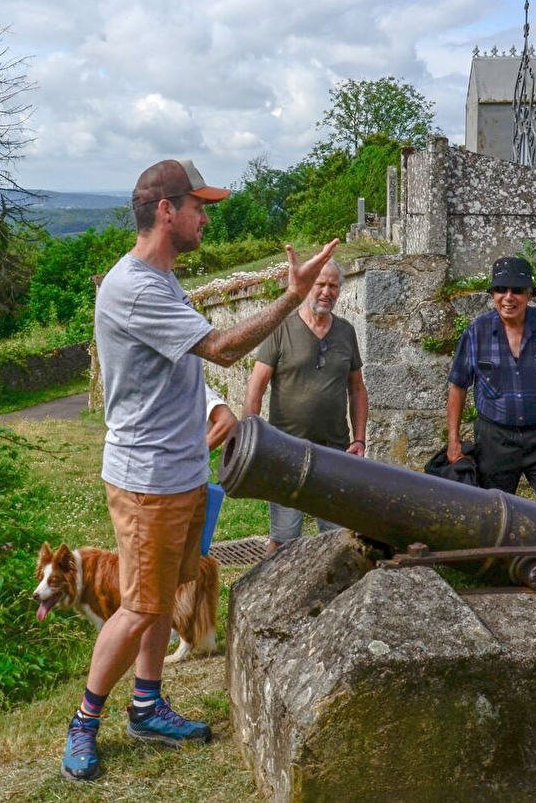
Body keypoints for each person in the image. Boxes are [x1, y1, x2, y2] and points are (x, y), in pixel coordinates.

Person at [64, 158, 339, 782]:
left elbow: (178, 368)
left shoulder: (163, 282)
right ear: (168, 212)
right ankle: (84, 722)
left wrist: (214, 405)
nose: (205, 218)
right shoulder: (134, 286)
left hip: (182, 470)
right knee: (138, 606)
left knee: (164, 598)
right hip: (147, 479)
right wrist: (291, 297)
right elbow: (218, 347)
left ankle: (147, 704)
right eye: (198, 207)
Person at [445, 256, 536, 511]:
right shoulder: (476, 332)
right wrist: (453, 439)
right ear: (493, 295)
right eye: (501, 290)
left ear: (530, 294)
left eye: (517, 290)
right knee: (492, 513)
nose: (508, 297)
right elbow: (458, 385)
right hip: (495, 440)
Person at [244, 259, 369, 551]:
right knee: (284, 536)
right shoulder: (282, 329)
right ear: (307, 286)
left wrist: (359, 438)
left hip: (334, 449)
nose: (326, 292)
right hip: (285, 449)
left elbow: (357, 389)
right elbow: (256, 387)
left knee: (338, 536)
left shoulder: (346, 332)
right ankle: (271, 592)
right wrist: (251, 439)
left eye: (333, 286)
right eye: (320, 284)